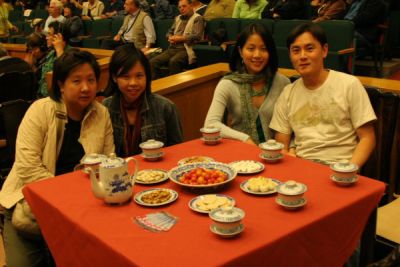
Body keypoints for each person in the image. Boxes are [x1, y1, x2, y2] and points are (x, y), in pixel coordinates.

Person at [0, 48, 115, 267]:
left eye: (91, 80)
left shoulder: (102, 113)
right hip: (29, 209)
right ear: (60, 85)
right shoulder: (40, 110)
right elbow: (28, 168)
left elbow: (109, 160)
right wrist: (68, 197)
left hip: (81, 209)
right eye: (77, 81)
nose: (86, 87)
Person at [270, 22, 376, 168]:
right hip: (302, 166)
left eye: (309, 48)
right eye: (296, 50)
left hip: (341, 167)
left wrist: (351, 169)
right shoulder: (288, 93)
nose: (302, 56)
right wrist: (289, 157)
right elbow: (282, 144)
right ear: (290, 55)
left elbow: (367, 137)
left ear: (324, 50)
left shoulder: (349, 85)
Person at [204, 24, 290, 145]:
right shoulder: (228, 84)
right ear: (240, 51)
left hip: (276, 155)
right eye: (251, 49)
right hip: (241, 155)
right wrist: (244, 138)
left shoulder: (283, 82)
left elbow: (293, 125)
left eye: (264, 49)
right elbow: (210, 124)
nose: (257, 55)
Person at [103, 43, 183, 157]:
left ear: (147, 76)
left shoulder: (166, 107)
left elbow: (177, 151)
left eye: (139, 76)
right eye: (126, 77)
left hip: (157, 173)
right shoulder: (106, 108)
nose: (133, 83)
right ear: (114, 77)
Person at [149, 0, 204, 79]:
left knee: (174, 62)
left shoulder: (198, 18)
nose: (181, 9)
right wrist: (170, 37)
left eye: (184, 6)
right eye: (179, 7)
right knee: (153, 62)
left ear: (191, 5)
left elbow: (197, 36)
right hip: (172, 48)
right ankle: (157, 86)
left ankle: (174, 88)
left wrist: (180, 38)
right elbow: (169, 32)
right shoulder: (178, 18)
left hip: (186, 49)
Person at [38, 21, 71, 98]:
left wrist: (59, 49)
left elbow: (64, 73)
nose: (46, 37)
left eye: (49, 34)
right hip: (43, 96)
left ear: (58, 36)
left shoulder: (71, 54)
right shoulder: (51, 53)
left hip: (57, 99)